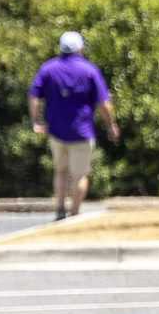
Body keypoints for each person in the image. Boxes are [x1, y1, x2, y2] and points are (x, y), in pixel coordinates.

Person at [28, 30, 117, 220]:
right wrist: (111, 125)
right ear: (80, 48)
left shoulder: (49, 68)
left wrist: (36, 121)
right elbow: (104, 103)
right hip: (82, 132)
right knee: (80, 175)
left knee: (60, 171)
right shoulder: (89, 70)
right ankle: (74, 214)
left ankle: (60, 210)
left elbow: (34, 95)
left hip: (56, 131)